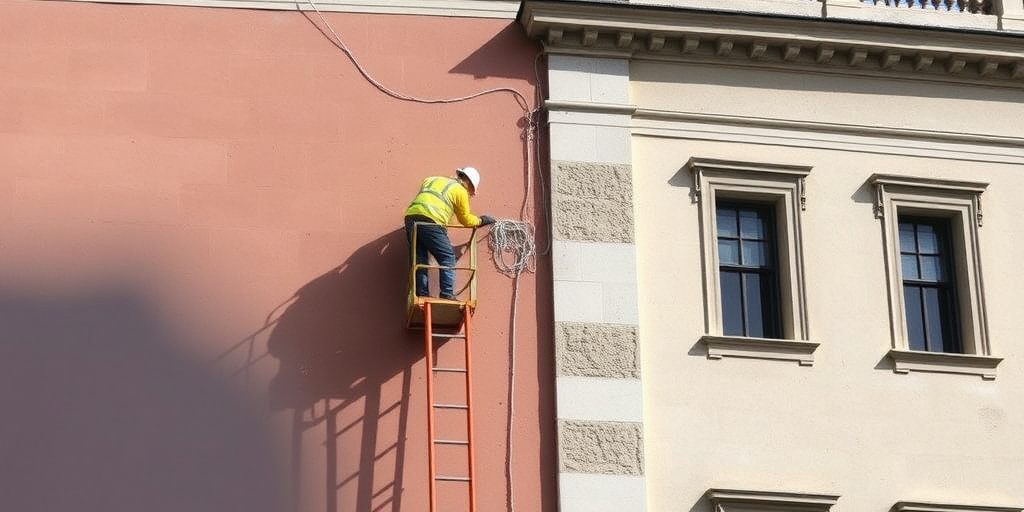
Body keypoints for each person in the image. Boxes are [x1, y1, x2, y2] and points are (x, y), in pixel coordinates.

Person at [404, 167, 495, 300]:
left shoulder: (431, 179)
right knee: (447, 257)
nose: (470, 195)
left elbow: (433, 200)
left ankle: (421, 293)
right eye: (471, 192)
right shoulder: (460, 191)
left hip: (411, 219)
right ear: (469, 184)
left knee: (420, 259)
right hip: (431, 220)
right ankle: (446, 293)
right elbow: (465, 220)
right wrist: (482, 220)